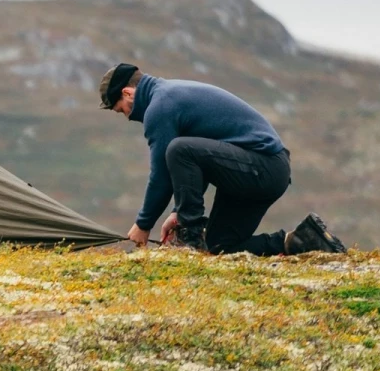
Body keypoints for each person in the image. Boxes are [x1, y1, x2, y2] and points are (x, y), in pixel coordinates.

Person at [98, 61, 346, 256]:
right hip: (258, 171)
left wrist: (143, 225)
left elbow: (162, 174)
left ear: (128, 93)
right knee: (219, 246)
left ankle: (190, 237)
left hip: (264, 166)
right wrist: (178, 212)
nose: (127, 117)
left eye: (122, 110)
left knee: (178, 149)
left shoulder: (160, 106)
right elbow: (201, 162)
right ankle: (303, 240)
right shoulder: (169, 95)